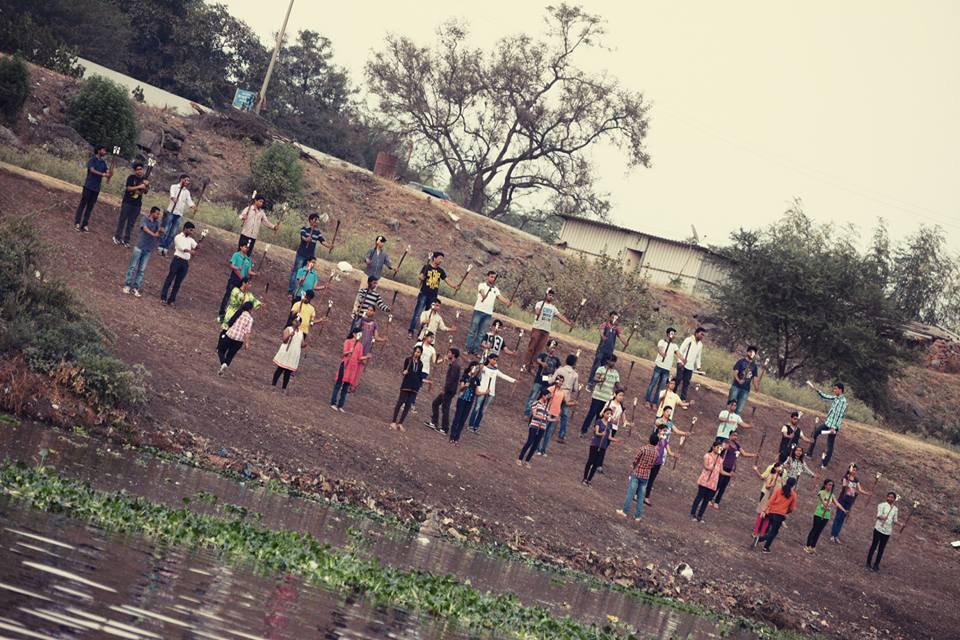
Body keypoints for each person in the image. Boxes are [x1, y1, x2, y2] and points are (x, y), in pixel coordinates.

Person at [644, 407, 689, 505]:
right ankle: (638, 493)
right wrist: (664, 428)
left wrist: (685, 433)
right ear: (663, 411)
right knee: (646, 475)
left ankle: (646, 496)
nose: (669, 413)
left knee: (652, 478)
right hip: (654, 450)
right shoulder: (658, 422)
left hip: (661, 452)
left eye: (670, 412)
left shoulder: (669, 427)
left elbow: (676, 431)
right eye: (667, 411)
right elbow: (657, 424)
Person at [465, 271, 513, 355]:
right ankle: (468, 348)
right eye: (491, 277)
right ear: (487, 277)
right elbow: (482, 292)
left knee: (481, 333)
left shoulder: (495, 289)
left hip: (488, 313)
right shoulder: (482, 285)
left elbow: (500, 297)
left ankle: (475, 350)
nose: (493, 279)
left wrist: (507, 302)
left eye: (494, 277)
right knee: (473, 330)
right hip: (479, 311)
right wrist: (484, 295)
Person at [524, 288, 573, 369]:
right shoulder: (540, 303)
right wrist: (538, 312)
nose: (551, 297)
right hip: (537, 328)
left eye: (552, 296)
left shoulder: (553, 308)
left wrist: (569, 323)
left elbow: (560, 316)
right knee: (531, 347)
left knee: (539, 349)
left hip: (546, 330)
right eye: (549, 295)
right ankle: (525, 364)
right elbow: (537, 310)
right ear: (546, 295)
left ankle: (532, 365)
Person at [709, 430, 758, 509]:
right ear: (730, 435)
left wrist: (754, 455)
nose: (735, 437)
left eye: (736, 436)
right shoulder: (726, 441)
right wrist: (725, 447)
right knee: (718, 483)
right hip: (723, 465)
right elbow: (721, 449)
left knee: (723, 486)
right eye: (734, 435)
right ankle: (710, 498)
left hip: (731, 467)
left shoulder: (737, 445)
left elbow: (744, 454)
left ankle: (717, 502)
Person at [408, 252, 453, 337]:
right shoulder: (426, 267)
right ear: (434, 258)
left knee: (428, 315)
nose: (441, 260)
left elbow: (446, 279)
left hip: (433, 297)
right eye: (439, 258)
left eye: (442, 259)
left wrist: (454, 286)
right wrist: (421, 277)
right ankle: (411, 330)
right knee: (418, 313)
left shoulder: (441, 271)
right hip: (424, 293)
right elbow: (421, 276)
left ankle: (422, 332)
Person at [468, 353, 515, 434]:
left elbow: (503, 376)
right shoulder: (484, 368)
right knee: (477, 407)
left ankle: (476, 426)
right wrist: (483, 357)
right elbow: (480, 366)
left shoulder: (495, 370)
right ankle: (471, 425)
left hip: (490, 392)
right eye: (493, 359)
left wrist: (513, 380)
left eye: (496, 360)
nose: (495, 361)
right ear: (489, 359)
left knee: (482, 410)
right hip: (482, 390)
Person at [121, 206, 162, 297]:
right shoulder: (145, 219)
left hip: (148, 249)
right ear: (152, 213)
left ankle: (136, 287)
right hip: (139, 247)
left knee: (141, 270)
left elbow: (159, 233)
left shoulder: (157, 223)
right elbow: (144, 228)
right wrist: (154, 234)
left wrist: (160, 231)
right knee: (132, 267)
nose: (158, 215)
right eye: (157, 213)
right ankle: (127, 285)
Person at [806, 381, 848, 468]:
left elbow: (838, 415)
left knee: (829, 445)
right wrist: (817, 390)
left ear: (840, 390)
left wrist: (833, 428)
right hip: (827, 423)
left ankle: (824, 464)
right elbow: (826, 396)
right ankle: (809, 454)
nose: (834, 390)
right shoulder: (836, 398)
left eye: (835, 389)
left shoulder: (843, 401)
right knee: (815, 433)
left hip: (833, 427)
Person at [288, 213, 331, 294]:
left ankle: (302, 290)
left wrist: (329, 246)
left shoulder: (318, 232)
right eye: (315, 220)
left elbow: (322, 241)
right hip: (301, 254)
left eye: (318, 220)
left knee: (307, 273)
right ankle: (291, 290)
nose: (317, 222)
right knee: (296, 271)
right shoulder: (304, 229)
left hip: (310, 257)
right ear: (310, 220)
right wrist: (306, 239)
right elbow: (303, 237)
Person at [160, 222, 201, 306]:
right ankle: (163, 297)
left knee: (178, 282)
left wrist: (200, 242)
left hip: (185, 262)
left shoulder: (190, 240)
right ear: (185, 228)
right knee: (170, 279)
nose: (191, 232)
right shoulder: (178, 237)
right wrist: (190, 251)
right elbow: (181, 248)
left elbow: (196, 246)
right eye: (190, 230)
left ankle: (171, 299)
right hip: (177, 260)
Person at [620, 432, 659, 520]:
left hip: (637, 473)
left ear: (649, 440)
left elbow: (635, 460)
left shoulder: (643, 449)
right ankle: (638, 516)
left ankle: (624, 511)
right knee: (641, 496)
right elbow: (653, 465)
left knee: (631, 493)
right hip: (646, 475)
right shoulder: (656, 453)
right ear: (656, 443)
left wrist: (634, 467)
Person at [830, 464, 873, 544]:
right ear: (850, 470)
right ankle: (833, 534)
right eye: (853, 470)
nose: (854, 472)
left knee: (842, 518)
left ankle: (836, 535)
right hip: (843, 499)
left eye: (856, 470)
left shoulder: (856, 480)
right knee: (838, 517)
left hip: (850, 501)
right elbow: (844, 485)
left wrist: (867, 493)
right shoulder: (846, 477)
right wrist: (848, 479)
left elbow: (859, 489)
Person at [74, 145, 111, 232]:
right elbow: (92, 170)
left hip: (96, 189)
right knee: (83, 205)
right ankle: (77, 222)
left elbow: (107, 173)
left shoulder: (103, 163)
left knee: (90, 207)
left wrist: (109, 174)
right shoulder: (92, 160)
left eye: (105, 151)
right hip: (88, 186)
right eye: (103, 150)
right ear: (98, 150)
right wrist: (103, 174)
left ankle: (85, 224)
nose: (105, 152)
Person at [579, 355, 620, 436]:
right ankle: (583, 430)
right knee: (592, 413)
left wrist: (622, 388)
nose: (613, 363)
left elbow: (617, 385)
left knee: (601, 416)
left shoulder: (615, 373)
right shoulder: (601, 369)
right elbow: (595, 379)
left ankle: (596, 432)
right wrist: (600, 380)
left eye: (614, 362)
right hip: (597, 396)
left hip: (607, 398)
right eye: (611, 361)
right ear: (607, 361)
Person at [804, 479, 846, 553]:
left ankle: (813, 546)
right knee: (814, 530)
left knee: (819, 531)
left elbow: (837, 503)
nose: (830, 486)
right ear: (825, 485)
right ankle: (808, 545)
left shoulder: (832, 495)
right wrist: (826, 503)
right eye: (829, 484)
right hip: (819, 514)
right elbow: (823, 502)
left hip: (826, 516)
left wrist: (844, 510)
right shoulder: (821, 492)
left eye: (831, 485)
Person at [331, 329, 368, 412]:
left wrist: (366, 357)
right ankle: (333, 402)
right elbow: (344, 353)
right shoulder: (348, 341)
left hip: (352, 368)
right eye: (359, 334)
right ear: (354, 334)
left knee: (346, 387)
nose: (360, 335)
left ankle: (340, 405)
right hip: (345, 365)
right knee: (338, 384)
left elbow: (359, 357)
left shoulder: (360, 345)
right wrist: (349, 351)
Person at [158, 174, 196, 256]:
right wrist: (173, 198)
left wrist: (192, 206)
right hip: (171, 212)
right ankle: (161, 246)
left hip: (179, 214)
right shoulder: (174, 187)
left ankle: (166, 248)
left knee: (172, 233)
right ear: (181, 179)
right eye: (186, 180)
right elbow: (172, 195)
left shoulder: (186, 192)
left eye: (188, 181)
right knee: (166, 230)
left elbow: (189, 201)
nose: (187, 182)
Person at [690, 440, 728, 522]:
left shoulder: (720, 459)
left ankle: (700, 515)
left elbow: (721, 471)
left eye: (720, 448)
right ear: (713, 447)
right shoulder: (707, 456)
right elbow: (706, 466)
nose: (719, 449)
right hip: (705, 480)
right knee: (699, 497)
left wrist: (729, 474)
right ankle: (693, 513)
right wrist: (712, 466)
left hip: (713, 482)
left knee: (706, 500)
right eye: (717, 447)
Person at [645, 327, 682, 409]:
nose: (674, 336)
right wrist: (662, 353)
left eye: (674, 334)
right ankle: (647, 400)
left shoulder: (674, 345)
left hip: (666, 369)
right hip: (659, 366)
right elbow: (660, 349)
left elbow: (678, 353)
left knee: (661, 387)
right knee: (653, 384)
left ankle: (654, 402)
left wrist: (682, 359)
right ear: (668, 334)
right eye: (672, 334)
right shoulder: (662, 341)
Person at [537, 373, 574, 455]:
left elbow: (565, 403)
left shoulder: (562, 392)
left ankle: (543, 449)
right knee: (543, 430)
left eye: (562, 381)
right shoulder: (551, 389)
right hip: (548, 412)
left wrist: (573, 403)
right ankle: (537, 448)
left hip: (556, 414)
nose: (560, 382)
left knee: (549, 433)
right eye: (559, 381)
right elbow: (544, 398)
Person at [113, 162, 149, 246]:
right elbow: (128, 188)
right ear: (135, 171)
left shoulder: (144, 179)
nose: (140, 171)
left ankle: (126, 240)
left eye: (141, 169)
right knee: (122, 219)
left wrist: (146, 185)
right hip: (127, 202)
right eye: (138, 170)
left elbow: (145, 192)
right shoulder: (131, 177)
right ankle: (117, 237)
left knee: (131, 223)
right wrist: (139, 187)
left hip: (137, 204)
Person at [218, 243, 255, 322]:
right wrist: (238, 267)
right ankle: (222, 313)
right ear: (241, 247)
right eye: (245, 247)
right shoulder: (236, 255)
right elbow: (232, 265)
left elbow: (249, 271)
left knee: (238, 298)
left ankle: (233, 315)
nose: (246, 249)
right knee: (228, 295)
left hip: (242, 281)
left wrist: (255, 273)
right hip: (234, 278)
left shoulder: (248, 259)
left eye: (247, 248)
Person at [759, 477, 798, 553]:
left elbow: (771, 501)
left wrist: (765, 510)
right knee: (774, 532)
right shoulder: (793, 494)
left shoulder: (779, 490)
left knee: (771, 529)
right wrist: (787, 512)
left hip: (771, 512)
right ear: (793, 485)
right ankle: (763, 543)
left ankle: (765, 544)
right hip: (780, 514)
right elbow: (792, 508)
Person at [524, 339, 561, 418]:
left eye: (554, 348)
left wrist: (555, 374)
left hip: (548, 382)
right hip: (539, 379)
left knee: (542, 398)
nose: (552, 349)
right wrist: (542, 363)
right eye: (551, 347)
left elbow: (559, 368)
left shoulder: (556, 359)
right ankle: (527, 413)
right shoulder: (543, 355)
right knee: (533, 396)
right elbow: (538, 359)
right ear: (547, 347)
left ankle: (537, 413)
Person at [588, 312, 629, 384]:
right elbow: (601, 332)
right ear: (609, 317)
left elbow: (620, 336)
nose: (613, 319)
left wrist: (625, 342)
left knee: (604, 368)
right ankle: (590, 382)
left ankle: (598, 382)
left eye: (615, 318)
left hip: (609, 351)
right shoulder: (604, 325)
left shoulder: (616, 328)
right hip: (601, 349)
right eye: (612, 317)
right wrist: (603, 337)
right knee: (596, 366)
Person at [390, 345, 424, 431]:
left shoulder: (420, 364)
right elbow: (404, 370)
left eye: (419, 352)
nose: (417, 353)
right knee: (400, 402)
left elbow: (419, 375)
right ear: (413, 351)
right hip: (406, 384)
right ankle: (393, 421)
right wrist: (404, 372)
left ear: (421, 354)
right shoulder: (408, 360)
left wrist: (422, 382)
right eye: (416, 351)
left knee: (408, 405)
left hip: (415, 386)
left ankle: (400, 423)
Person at [518, 387, 554, 467]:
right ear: (543, 395)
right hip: (534, 426)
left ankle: (527, 460)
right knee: (529, 442)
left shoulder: (546, 406)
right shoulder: (536, 403)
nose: (548, 397)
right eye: (547, 396)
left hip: (542, 427)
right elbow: (534, 414)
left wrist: (554, 419)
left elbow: (547, 418)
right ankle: (520, 458)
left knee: (535, 445)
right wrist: (541, 417)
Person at [428, 348, 461, 433]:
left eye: (449, 353)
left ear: (453, 355)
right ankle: (435, 422)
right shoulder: (453, 364)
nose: (448, 354)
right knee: (436, 403)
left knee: (445, 408)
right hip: (449, 389)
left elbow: (452, 379)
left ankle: (444, 428)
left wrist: (445, 388)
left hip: (449, 390)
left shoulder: (455, 365)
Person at [751, 461, 785, 543]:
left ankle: (762, 533)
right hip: (768, 497)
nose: (780, 468)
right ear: (775, 468)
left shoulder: (781, 479)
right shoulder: (771, 475)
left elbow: (783, 488)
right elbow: (767, 486)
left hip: (775, 500)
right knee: (761, 515)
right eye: (778, 467)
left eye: (781, 467)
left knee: (768, 517)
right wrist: (771, 485)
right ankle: (755, 531)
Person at [448, 361, 481, 444]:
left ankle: (457, 438)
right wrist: (465, 385)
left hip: (469, 401)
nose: (476, 369)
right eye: (475, 367)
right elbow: (461, 388)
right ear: (471, 367)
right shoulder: (465, 376)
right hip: (462, 399)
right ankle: (452, 436)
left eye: (477, 368)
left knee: (463, 420)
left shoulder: (477, 379)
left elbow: (477, 393)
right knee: (457, 418)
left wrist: (485, 392)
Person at [217, 301, 254, 375]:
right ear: (250, 309)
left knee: (220, 350)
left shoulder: (239, 312)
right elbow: (247, 332)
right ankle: (224, 367)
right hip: (239, 340)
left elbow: (230, 321)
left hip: (230, 335)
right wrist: (247, 343)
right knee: (230, 355)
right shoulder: (250, 319)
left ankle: (223, 364)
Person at [582, 407, 617, 486]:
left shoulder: (610, 425)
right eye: (607, 413)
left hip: (603, 446)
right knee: (590, 461)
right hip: (595, 444)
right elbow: (596, 432)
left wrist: (615, 440)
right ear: (604, 413)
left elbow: (609, 437)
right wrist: (602, 434)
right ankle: (585, 478)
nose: (608, 415)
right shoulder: (599, 421)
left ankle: (589, 479)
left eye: (610, 414)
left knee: (596, 463)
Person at [866, 492, 899, 572]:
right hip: (878, 529)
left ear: (894, 499)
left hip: (887, 531)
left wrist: (901, 524)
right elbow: (878, 515)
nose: (890, 499)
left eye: (892, 497)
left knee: (881, 549)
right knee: (874, 546)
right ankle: (868, 563)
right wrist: (882, 517)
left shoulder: (895, 509)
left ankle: (876, 565)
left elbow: (894, 520)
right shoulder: (881, 505)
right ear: (887, 497)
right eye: (889, 497)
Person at [551, 354, 579, 444]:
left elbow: (551, 381)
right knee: (564, 415)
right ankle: (561, 435)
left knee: (552, 410)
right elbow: (575, 389)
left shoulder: (560, 370)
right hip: (566, 395)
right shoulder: (575, 374)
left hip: (556, 392)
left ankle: (548, 428)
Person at [271, 315, 304, 393]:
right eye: (295, 321)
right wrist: (289, 335)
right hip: (286, 352)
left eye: (298, 322)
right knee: (280, 369)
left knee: (288, 372)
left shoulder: (301, 333)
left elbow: (301, 344)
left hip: (293, 354)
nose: (297, 323)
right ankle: (273, 385)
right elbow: (284, 340)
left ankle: (284, 388)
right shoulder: (288, 329)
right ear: (293, 321)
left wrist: (307, 343)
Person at [353, 305, 383, 386]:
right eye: (368, 310)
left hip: (366, 347)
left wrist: (383, 339)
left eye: (371, 310)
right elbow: (355, 331)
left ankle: (354, 384)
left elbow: (376, 337)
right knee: (354, 362)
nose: (369, 311)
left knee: (361, 365)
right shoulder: (361, 320)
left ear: (374, 312)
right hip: (359, 345)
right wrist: (355, 340)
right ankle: (348, 381)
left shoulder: (374, 324)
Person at [676, 327, 706, 401]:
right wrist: (680, 361)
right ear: (696, 333)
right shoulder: (689, 340)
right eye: (701, 334)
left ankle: (682, 400)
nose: (702, 336)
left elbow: (698, 357)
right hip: (682, 364)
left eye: (703, 335)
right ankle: (671, 395)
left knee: (686, 383)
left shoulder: (700, 345)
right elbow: (680, 351)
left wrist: (698, 367)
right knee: (678, 380)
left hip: (690, 367)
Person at [728, 346, 760, 415]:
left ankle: (734, 423)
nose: (752, 354)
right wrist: (738, 380)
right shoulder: (741, 361)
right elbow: (735, 372)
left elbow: (755, 378)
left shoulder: (754, 366)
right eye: (750, 352)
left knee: (739, 409)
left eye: (754, 353)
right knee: (731, 405)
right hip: (736, 387)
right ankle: (726, 421)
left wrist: (756, 387)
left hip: (745, 390)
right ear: (747, 352)